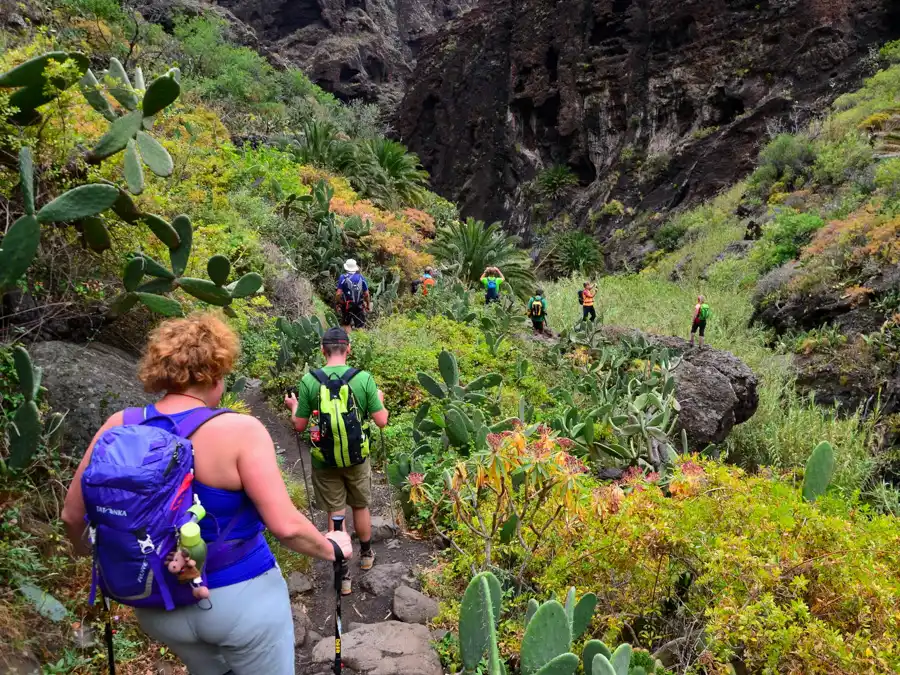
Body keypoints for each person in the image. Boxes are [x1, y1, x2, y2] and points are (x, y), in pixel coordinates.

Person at [62, 313, 351, 675]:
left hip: (157, 604)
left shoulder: (119, 424)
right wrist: (333, 548)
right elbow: (287, 527)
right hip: (240, 601)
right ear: (216, 373)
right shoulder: (239, 430)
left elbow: (72, 517)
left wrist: (115, 557)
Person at [284, 327, 388, 595]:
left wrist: (293, 407)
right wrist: (379, 401)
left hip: (324, 461)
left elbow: (299, 425)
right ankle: (366, 556)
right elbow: (381, 421)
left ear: (323, 350)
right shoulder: (363, 379)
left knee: (336, 512)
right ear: (348, 349)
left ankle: (342, 576)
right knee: (361, 505)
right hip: (357, 458)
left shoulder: (309, 381)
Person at [336, 259, 370, 331]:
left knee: (346, 324)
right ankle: (359, 340)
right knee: (360, 326)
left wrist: (339, 302)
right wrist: (368, 305)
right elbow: (366, 294)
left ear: (346, 268)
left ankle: (348, 340)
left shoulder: (343, 277)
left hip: (347, 305)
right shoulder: (361, 277)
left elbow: (338, 293)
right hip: (359, 305)